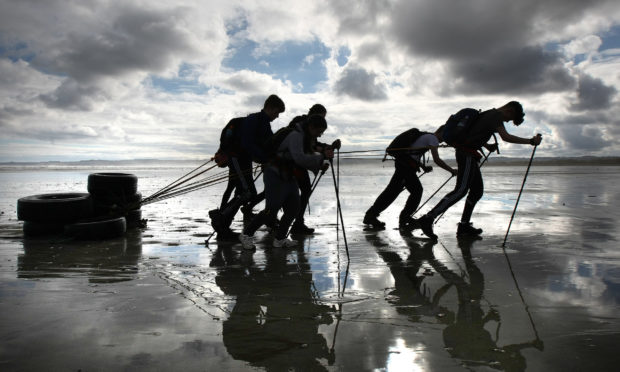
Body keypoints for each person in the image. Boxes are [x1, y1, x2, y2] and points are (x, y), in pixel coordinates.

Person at [416, 101, 543, 240]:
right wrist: (531, 141)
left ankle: (464, 226)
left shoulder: (487, 114)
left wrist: (487, 146)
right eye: (509, 118)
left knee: (476, 191)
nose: (507, 121)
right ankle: (428, 218)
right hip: (467, 155)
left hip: (469, 154)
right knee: (461, 190)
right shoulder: (496, 116)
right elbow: (506, 137)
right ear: (509, 110)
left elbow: (475, 133)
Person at [239, 114, 334, 249]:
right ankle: (246, 234)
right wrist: (321, 157)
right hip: (274, 173)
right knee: (271, 210)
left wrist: (320, 163)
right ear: (311, 127)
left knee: (294, 207)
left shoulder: (306, 137)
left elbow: (306, 155)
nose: (319, 135)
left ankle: (280, 238)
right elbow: (299, 158)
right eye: (319, 132)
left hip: (289, 174)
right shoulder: (296, 136)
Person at [209, 94, 285, 240]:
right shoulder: (253, 120)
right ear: (270, 108)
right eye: (276, 112)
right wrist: (264, 159)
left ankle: (223, 223)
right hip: (237, 158)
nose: (276, 116)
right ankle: (220, 219)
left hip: (245, 160)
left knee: (246, 191)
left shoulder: (263, 123)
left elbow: (269, 144)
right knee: (246, 192)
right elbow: (247, 144)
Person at [363, 126, 456, 230]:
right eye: (445, 135)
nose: (444, 139)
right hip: (405, 167)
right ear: (440, 132)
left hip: (404, 165)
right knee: (413, 191)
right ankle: (403, 218)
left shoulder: (427, 136)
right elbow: (437, 160)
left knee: (393, 191)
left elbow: (412, 154)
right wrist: (451, 170)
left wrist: (422, 166)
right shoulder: (433, 139)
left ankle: (373, 215)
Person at [287, 104, 341, 234]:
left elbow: (314, 145)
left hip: (297, 162)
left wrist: (328, 147)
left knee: (304, 190)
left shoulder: (310, 126)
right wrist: (323, 153)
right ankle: (294, 223)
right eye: (321, 117)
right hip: (290, 162)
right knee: (293, 192)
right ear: (314, 114)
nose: (322, 120)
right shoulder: (301, 125)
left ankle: (297, 222)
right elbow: (308, 147)